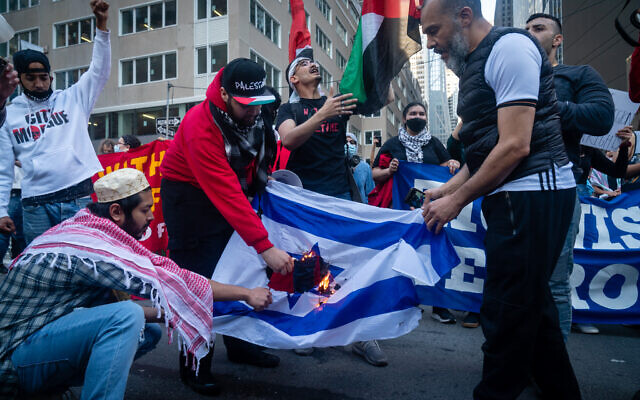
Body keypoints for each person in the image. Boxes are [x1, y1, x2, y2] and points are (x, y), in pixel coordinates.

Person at [420, 1, 581, 399]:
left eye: (433, 30)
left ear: (464, 17)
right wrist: (446, 189)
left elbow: (514, 147)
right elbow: (485, 153)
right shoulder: (476, 64)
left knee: (506, 316)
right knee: (535, 313)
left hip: (533, 194)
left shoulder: (509, 48)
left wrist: (455, 203)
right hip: (514, 197)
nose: (430, 43)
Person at [0, 168, 273, 399]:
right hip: (11, 359)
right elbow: (177, 280)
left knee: (146, 331)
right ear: (117, 211)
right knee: (127, 317)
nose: (152, 217)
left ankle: (51, 387)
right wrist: (246, 294)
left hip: (33, 341)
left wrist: (177, 313)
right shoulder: (96, 248)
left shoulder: (87, 228)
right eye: (145, 210)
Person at [160, 57, 294, 394]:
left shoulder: (254, 111)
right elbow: (225, 192)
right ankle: (194, 361)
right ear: (224, 94)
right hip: (189, 197)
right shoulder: (199, 126)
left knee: (240, 272)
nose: (254, 113)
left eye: (258, 104)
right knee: (197, 278)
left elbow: (256, 164)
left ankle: (240, 343)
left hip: (234, 191)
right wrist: (265, 247)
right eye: (246, 106)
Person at [276, 49, 388, 366]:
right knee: (306, 264)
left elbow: (383, 98)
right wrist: (322, 113)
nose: (313, 64)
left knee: (349, 263)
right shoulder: (289, 109)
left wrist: (384, 61)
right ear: (293, 79)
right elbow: (288, 141)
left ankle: (361, 335)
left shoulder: (338, 102)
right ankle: (306, 327)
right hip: (305, 198)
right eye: (303, 64)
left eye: (314, 62)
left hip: (339, 194)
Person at [525, 13, 616, 341]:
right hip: (513, 187)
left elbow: (601, 116)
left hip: (560, 185)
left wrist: (547, 106)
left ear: (557, 40)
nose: (530, 34)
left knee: (554, 280)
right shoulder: (509, 76)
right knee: (515, 278)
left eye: (538, 28)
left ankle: (553, 371)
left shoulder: (578, 75)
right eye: (526, 30)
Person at [0, 0, 111, 245]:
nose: (39, 84)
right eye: (31, 78)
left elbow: (99, 71)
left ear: (51, 77)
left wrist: (101, 26)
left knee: (83, 261)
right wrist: (1, 211)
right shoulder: (10, 114)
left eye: (44, 77)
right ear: (20, 79)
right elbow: (3, 167)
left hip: (79, 197)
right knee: (43, 267)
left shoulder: (73, 99)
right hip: (35, 205)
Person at [371, 102, 459, 325]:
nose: (417, 116)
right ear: (404, 118)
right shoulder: (392, 144)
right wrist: (388, 170)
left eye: (421, 113)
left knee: (434, 250)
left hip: (430, 208)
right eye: (413, 113)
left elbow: (447, 166)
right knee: (403, 252)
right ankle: (405, 301)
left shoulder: (434, 143)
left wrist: (453, 162)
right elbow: (374, 173)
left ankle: (439, 305)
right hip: (401, 208)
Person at [0, 161, 24, 270]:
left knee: (17, 231)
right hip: (14, 189)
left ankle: (16, 262)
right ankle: (16, 263)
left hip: (18, 189)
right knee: (10, 230)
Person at [346, 133, 374, 204]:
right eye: (345, 142)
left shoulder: (365, 167)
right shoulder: (336, 166)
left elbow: (371, 193)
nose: (348, 145)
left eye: (352, 142)